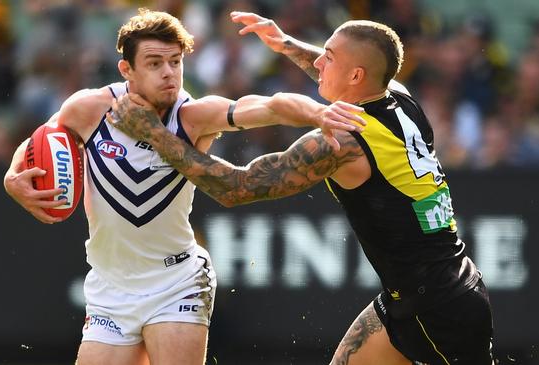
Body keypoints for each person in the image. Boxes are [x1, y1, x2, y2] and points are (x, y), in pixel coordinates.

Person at [108, 11, 495, 365]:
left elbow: (236, 187)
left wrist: (155, 134)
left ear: (356, 76)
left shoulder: (340, 142)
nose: (319, 62)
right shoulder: (401, 98)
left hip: (438, 312)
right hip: (426, 295)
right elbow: (356, 68)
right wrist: (286, 43)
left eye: (328, 56)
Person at [3, 8, 365, 365]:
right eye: (154, 63)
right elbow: (46, 136)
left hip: (175, 280)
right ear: (126, 69)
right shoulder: (90, 108)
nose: (168, 74)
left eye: (175, 62)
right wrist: (13, 175)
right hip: (110, 286)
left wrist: (318, 113)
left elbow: (269, 106)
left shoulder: (192, 117)